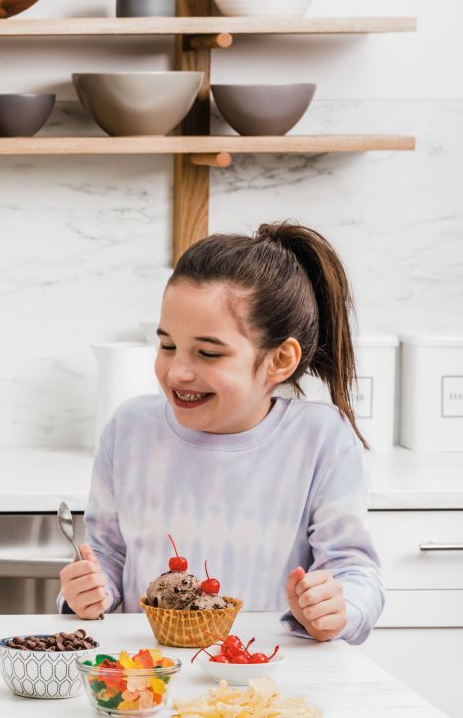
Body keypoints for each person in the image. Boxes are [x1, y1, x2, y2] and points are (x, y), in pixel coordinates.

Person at [60, 222, 384, 643]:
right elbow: (106, 554)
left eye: (209, 353)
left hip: (266, 668)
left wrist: (338, 608)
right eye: (167, 345)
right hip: (152, 668)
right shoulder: (130, 429)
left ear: (280, 360)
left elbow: (355, 572)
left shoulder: (320, 438)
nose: (177, 372)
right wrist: (86, 591)